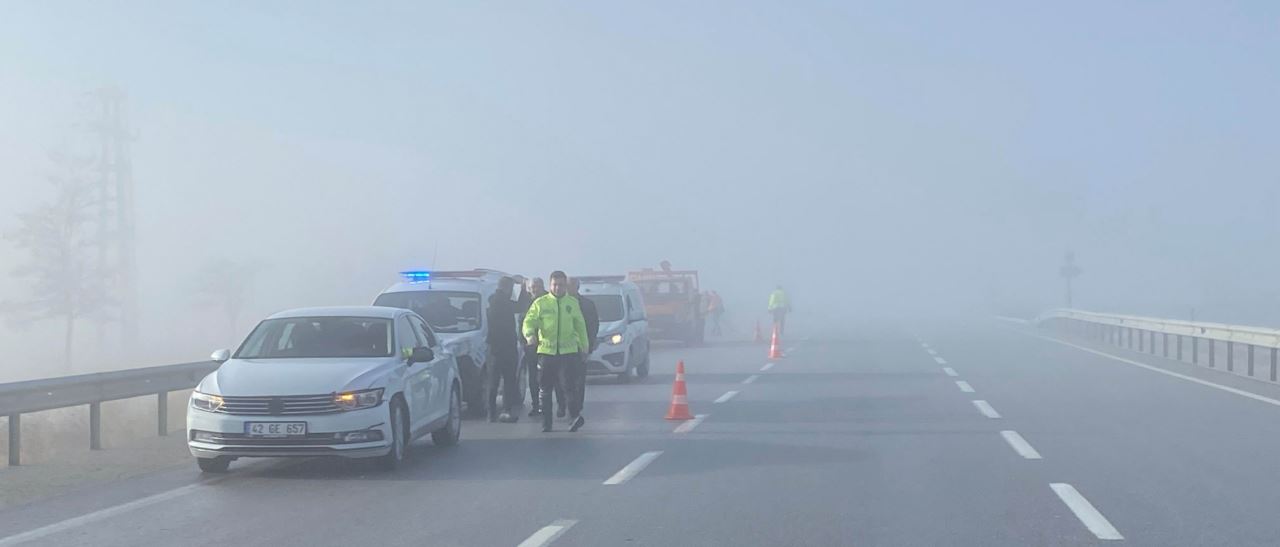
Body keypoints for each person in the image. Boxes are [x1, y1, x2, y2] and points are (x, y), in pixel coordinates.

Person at [522, 271, 589, 432]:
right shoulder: (541, 303)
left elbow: (580, 326)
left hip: (568, 352)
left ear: (565, 286)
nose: (558, 288)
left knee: (569, 386)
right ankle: (546, 422)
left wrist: (584, 346)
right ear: (550, 285)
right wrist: (530, 335)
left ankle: (574, 417)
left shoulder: (572, 303)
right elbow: (528, 321)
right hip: (546, 352)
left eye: (561, 285)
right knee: (545, 388)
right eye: (555, 285)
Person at [485, 276, 520, 423]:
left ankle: (491, 413)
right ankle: (506, 411)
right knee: (508, 381)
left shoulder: (492, 300)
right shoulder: (503, 302)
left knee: (493, 382)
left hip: (494, 348)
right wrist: (523, 287)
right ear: (507, 288)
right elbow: (521, 305)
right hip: (506, 348)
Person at [569, 278, 599, 418]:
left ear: (577, 287)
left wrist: (588, 346)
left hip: (581, 348)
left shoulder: (587, 305)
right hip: (562, 349)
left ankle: (576, 407)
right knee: (562, 380)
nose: (568, 288)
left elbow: (593, 327)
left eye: (571, 285)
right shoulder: (557, 304)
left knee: (579, 380)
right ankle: (565, 405)